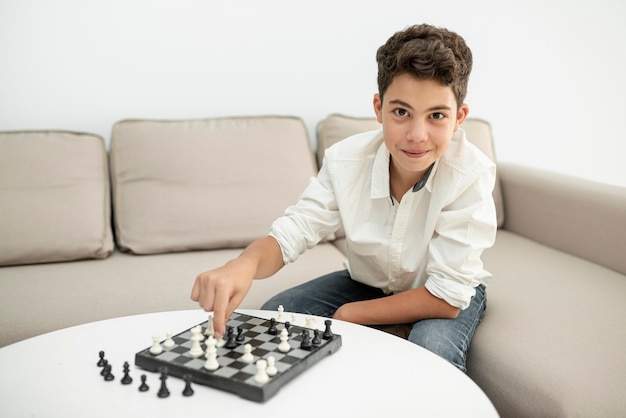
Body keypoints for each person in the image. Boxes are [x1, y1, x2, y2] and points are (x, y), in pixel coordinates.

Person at [191, 23, 497, 372]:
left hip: (439, 293)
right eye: (401, 112)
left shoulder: (470, 175)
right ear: (378, 108)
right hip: (367, 283)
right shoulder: (345, 161)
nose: (416, 134)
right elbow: (296, 228)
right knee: (280, 311)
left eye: (437, 116)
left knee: (431, 353)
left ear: (459, 118)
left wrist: (352, 314)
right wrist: (242, 265)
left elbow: (447, 298)